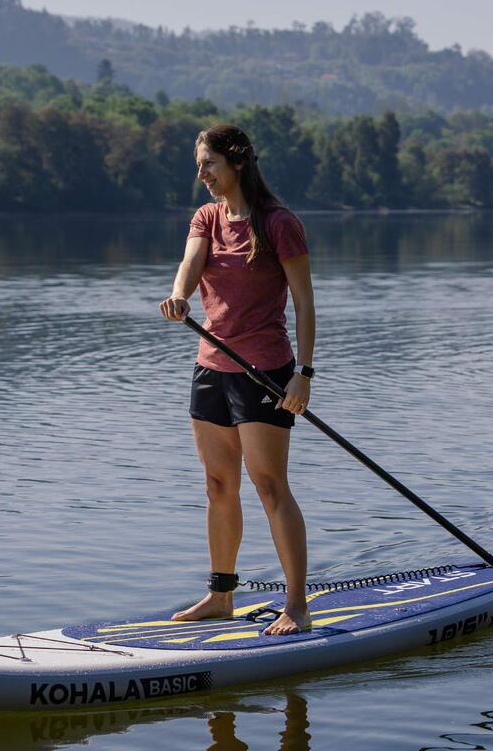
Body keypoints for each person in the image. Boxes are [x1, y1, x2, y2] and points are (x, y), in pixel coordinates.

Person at [159, 124, 316, 635]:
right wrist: (180, 295)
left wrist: (303, 375)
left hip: (265, 372)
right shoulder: (206, 217)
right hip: (212, 368)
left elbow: (305, 304)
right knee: (217, 485)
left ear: (238, 164)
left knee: (269, 486)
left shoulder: (279, 224)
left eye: (209, 164)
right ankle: (221, 595)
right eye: (200, 165)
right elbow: (189, 266)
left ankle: (296, 605)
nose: (202, 174)